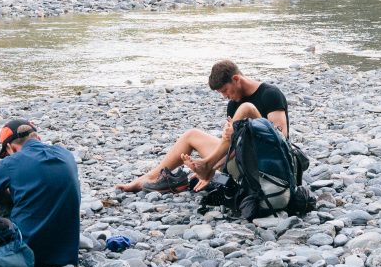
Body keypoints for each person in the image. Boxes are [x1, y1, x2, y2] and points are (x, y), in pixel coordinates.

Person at [116, 59, 288, 193]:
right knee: (192, 135)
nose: (225, 97)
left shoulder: (269, 94)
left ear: (236, 79)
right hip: (245, 161)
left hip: (271, 162)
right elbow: (231, 146)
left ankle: (207, 165)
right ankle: (150, 177)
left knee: (247, 108)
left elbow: (280, 138)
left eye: (225, 91)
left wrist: (247, 126)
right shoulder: (233, 104)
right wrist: (212, 169)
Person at [0, 118, 81, 267]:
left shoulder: (9, 164)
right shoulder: (66, 155)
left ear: (10, 147)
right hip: (66, 257)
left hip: (24, 257)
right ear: (38, 138)